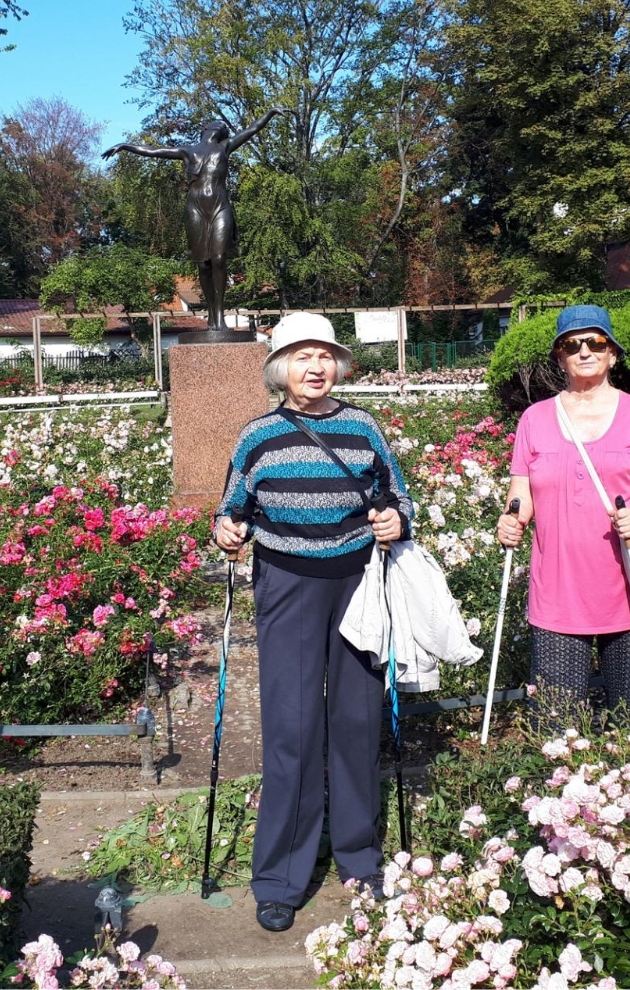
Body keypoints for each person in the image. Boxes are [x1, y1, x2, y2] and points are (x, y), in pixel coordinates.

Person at [213, 311, 413, 933]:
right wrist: (226, 530)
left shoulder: (363, 427)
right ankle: (280, 878)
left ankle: (360, 862)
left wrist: (397, 519)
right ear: (280, 369)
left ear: (339, 365)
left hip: (358, 582)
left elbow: (398, 495)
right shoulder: (258, 435)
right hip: (287, 583)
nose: (316, 366)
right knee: (292, 728)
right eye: (302, 356)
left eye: (325, 355)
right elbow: (232, 506)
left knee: (356, 722)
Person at [495, 304, 630, 726]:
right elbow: (521, 493)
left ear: (612, 354)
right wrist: (511, 520)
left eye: (596, 342)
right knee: (556, 724)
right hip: (557, 590)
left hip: (629, 587)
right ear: (560, 357)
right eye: (571, 345)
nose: (584, 351)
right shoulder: (534, 419)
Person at [103, 109, 287, 332]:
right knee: (203, 264)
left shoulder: (225, 146)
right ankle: (211, 315)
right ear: (207, 129)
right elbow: (154, 150)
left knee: (219, 258)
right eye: (219, 124)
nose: (223, 126)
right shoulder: (188, 151)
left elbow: (252, 129)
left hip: (219, 206)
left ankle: (219, 316)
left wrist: (270, 113)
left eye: (224, 127)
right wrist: (125, 146)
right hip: (195, 209)